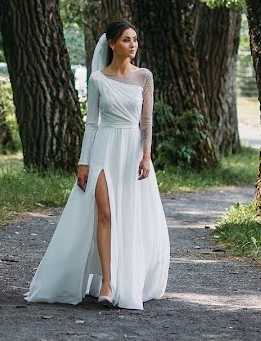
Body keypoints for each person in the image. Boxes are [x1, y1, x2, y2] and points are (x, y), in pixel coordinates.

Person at [24, 19, 169, 310]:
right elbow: (91, 124)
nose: (133, 45)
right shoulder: (97, 79)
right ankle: (106, 282)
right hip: (104, 148)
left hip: (131, 151)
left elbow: (146, 121)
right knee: (104, 214)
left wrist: (145, 155)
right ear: (112, 44)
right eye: (127, 40)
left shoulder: (144, 77)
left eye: (135, 39)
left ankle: (125, 276)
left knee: (126, 215)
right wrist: (83, 162)